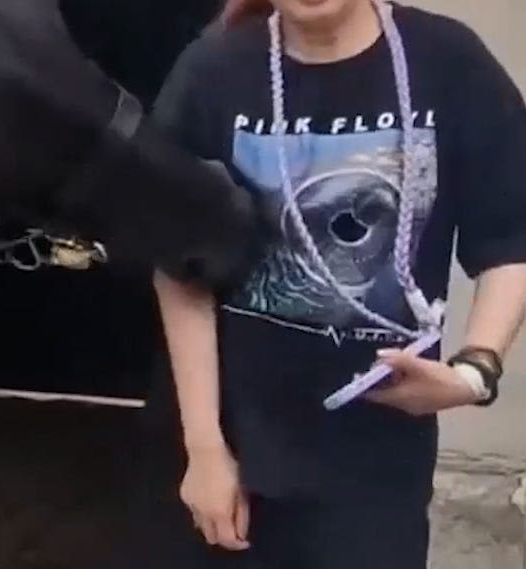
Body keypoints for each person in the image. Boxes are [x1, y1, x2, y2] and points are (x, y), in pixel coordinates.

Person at [132, 0, 526, 567]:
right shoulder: (214, 71)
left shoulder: (448, 61)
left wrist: (474, 370)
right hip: (228, 448)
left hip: (374, 470)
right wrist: (203, 448)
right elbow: (179, 262)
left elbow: (509, 235)